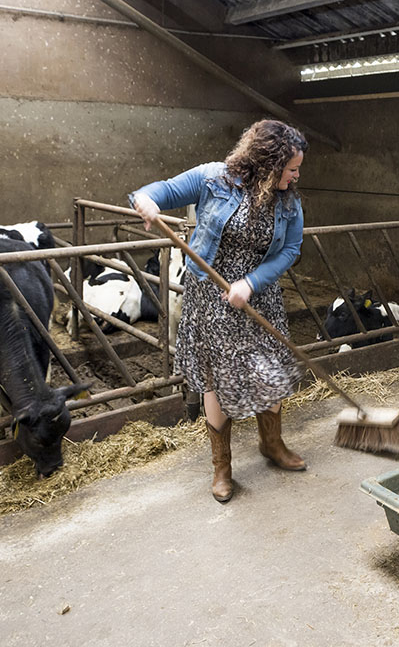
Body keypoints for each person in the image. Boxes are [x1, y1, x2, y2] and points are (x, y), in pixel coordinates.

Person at [131, 119, 307, 503]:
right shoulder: (214, 179)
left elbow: (292, 249)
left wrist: (251, 283)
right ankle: (222, 467)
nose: (295, 176)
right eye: (291, 168)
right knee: (217, 379)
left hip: (257, 294)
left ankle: (272, 444)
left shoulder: (288, 199)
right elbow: (157, 191)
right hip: (211, 296)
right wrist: (147, 200)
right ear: (268, 162)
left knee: (270, 370)